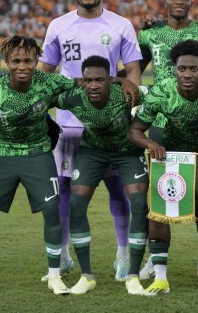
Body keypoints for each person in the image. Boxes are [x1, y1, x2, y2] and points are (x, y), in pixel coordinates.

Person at [39, 0, 143, 281]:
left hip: (110, 126)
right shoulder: (59, 26)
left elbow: (134, 71)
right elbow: (45, 71)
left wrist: (128, 101)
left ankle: (122, 256)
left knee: (118, 189)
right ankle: (65, 256)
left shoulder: (120, 25)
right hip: (70, 125)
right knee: (66, 190)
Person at [0, 36, 75, 295]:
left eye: (28, 61)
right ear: (7, 62)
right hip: (1, 154)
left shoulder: (51, 82)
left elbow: (85, 86)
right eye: (16, 61)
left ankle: (55, 276)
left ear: (37, 62)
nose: (22, 66)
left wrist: (119, 81)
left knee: (51, 212)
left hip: (38, 154)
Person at [128, 40, 198, 298]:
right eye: (182, 69)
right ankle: (160, 278)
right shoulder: (162, 92)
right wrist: (150, 143)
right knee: (159, 213)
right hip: (173, 155)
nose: (187, 74)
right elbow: (134, 130)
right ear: (174, 70)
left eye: (194, 69)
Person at [130, 0, 198, 282]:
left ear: (191, 1)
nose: (179, 1)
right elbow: (135, 71)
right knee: (159, 195)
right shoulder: (151, 33)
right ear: (165, 1)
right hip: (161, 123)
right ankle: (154, 262)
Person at [52, 55, 149, 295]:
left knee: (138, 202)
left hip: (127, 151)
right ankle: (86, 276)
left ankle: (133, 275)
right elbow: (42, 96)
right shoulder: (73, 98)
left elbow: (163, 94)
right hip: (92, 152)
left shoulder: (128, 94)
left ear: (110, 80)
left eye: (100, 80)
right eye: (88, 80)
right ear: (82, 82)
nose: (93, 85)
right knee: (76, 202)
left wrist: (127, 82)